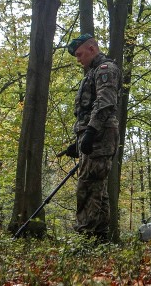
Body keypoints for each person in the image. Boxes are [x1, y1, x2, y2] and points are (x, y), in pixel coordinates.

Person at [62, 33, 121, 242]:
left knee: (88, 186)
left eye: (79, 54)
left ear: (92, 49)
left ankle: (84, 239)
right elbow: (88, 111)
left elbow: (105, 103)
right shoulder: (92, 73)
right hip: (96, 135)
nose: (78, 59)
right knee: (98, 189)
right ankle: (99, 239)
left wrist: (90, 133)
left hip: (100, 136)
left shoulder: (105, 70)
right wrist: (78, 142)